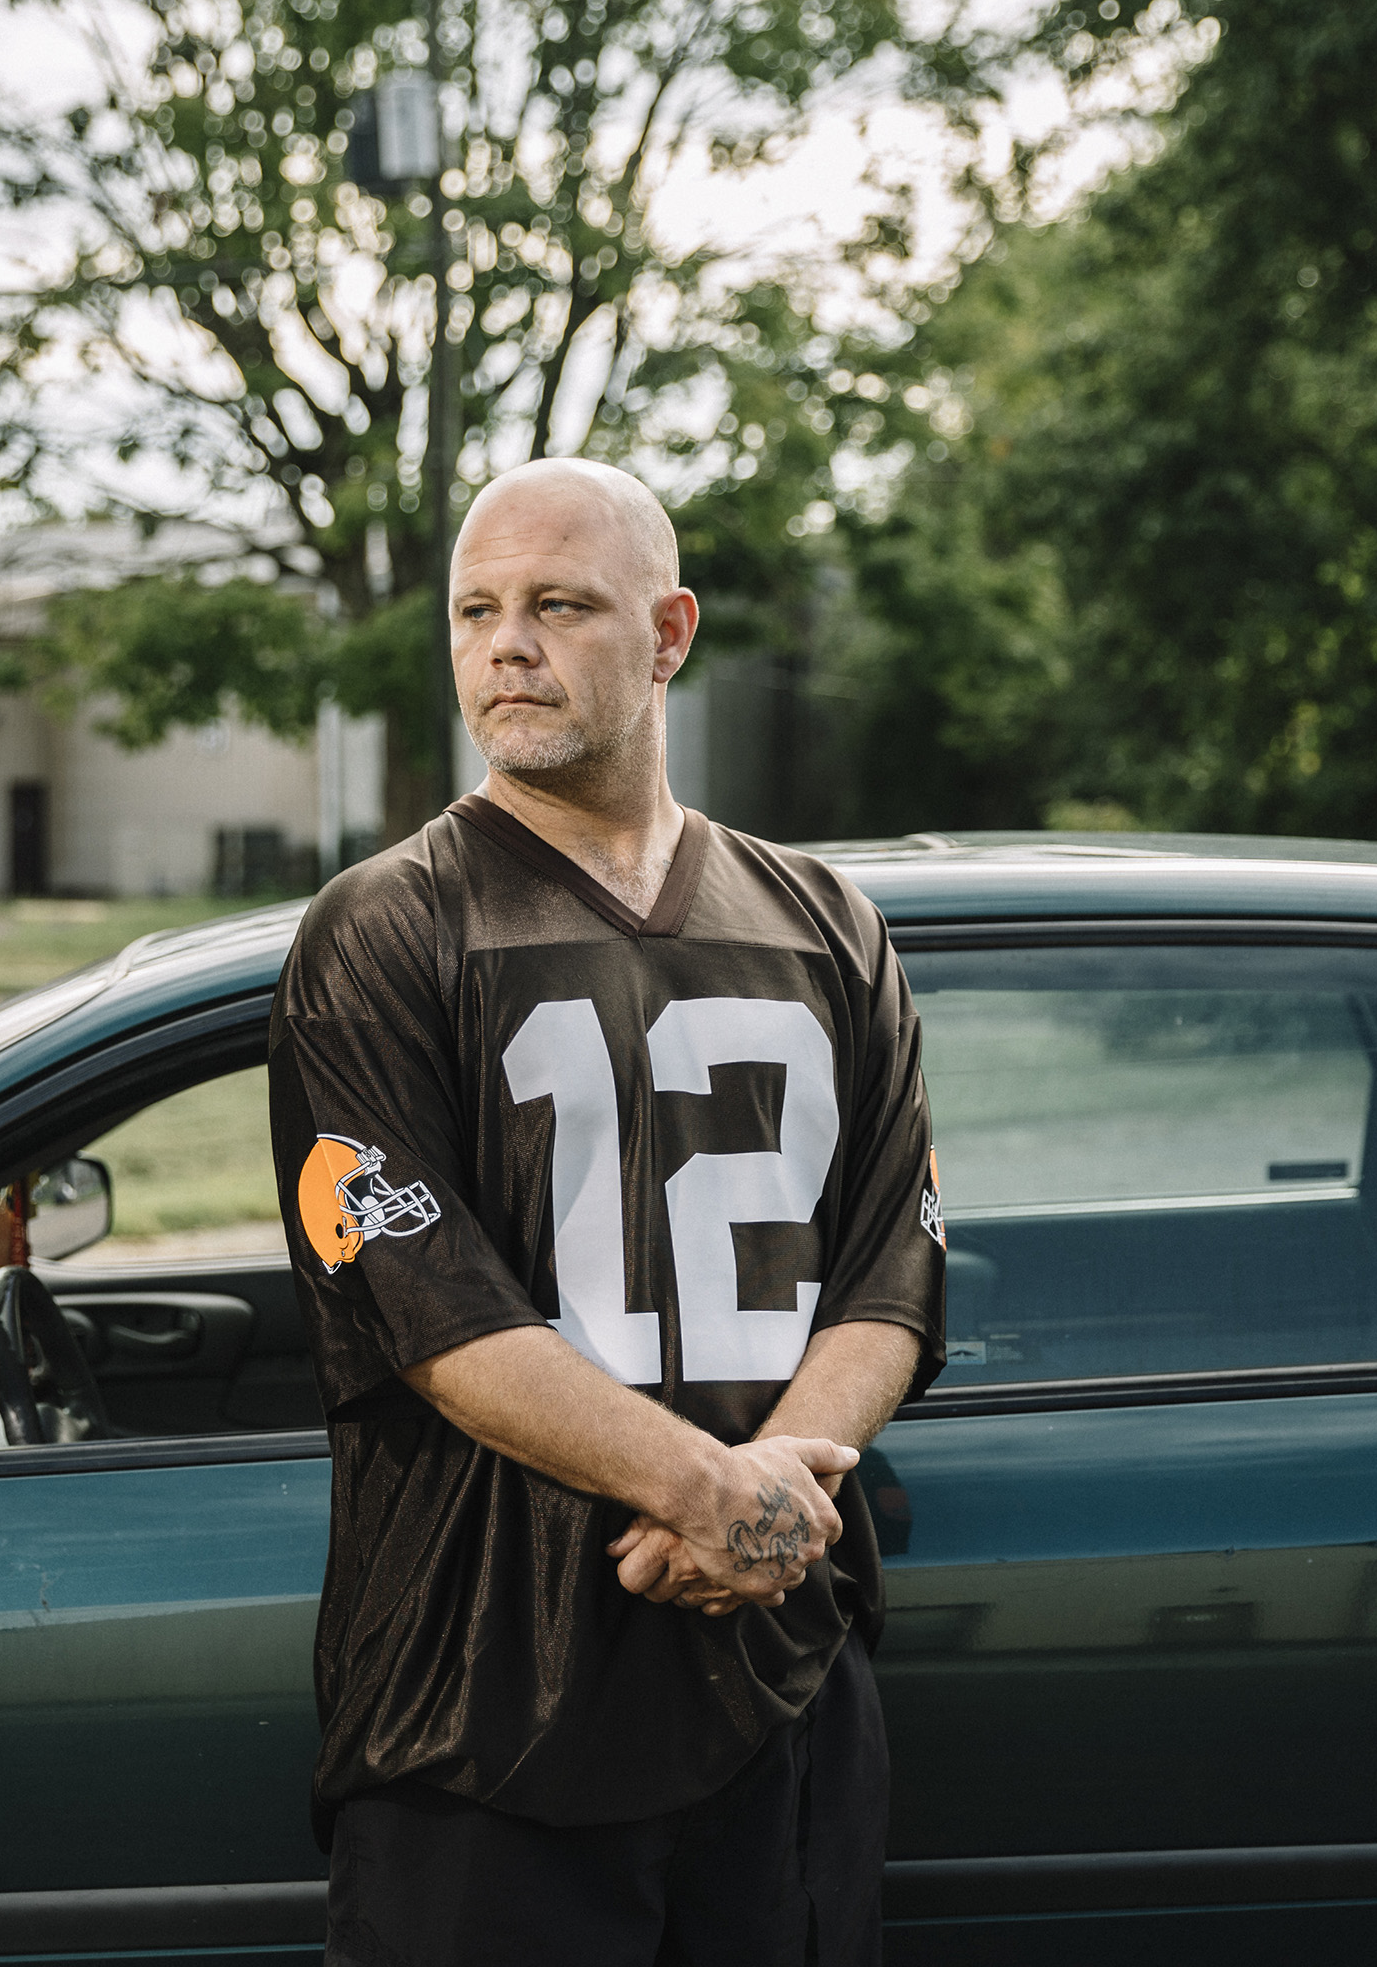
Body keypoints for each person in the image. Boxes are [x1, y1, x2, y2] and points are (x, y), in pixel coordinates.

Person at [266, 456, 947, 1967]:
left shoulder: (826, 924)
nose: (506, 645)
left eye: (560, 604)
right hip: (482, 1711)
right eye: (477, 610)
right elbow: (433, 1314)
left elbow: (890, 1272)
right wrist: (720, 1497)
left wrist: (767, 1495)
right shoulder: (386, 928)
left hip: (780, 1684)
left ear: (669, 633)